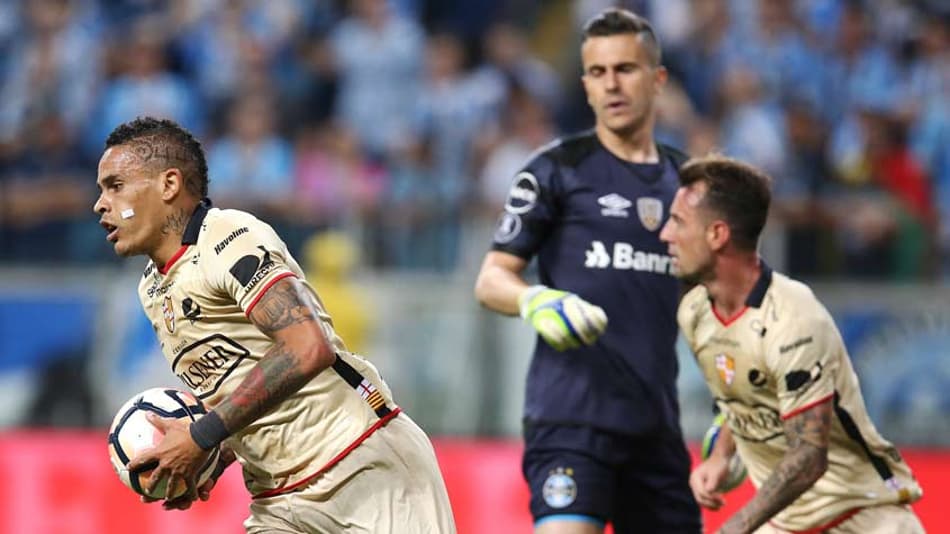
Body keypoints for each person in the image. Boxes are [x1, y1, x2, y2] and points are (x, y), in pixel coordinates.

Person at [93, 116, 455, 533]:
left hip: (360, 464)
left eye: (115, 185)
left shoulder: (228, 237)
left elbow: (307, 347)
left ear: (169, 185)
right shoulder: (153, 289)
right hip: (277, 499)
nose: (100, 203)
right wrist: (213, 455)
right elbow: (239, 378)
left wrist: (202, 436)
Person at [474, 8, 701, 533]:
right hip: (571, 421)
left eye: (626, 69)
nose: (611, 84)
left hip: (656, 427)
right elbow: (491, 279)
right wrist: (536, 300)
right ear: (584, 84)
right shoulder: (554, 169)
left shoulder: (688, 183)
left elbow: (711, 300)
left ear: (658, 79)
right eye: (597, 73)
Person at [659, 154, 924, 534]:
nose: (665, 234)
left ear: (717, 234)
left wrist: (735, 528)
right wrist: (720, 455)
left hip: (861, 516)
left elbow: (808, 458)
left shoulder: (792, 319)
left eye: (678, 222)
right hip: (784, 524)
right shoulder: (696, 313)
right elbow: (746, 393)